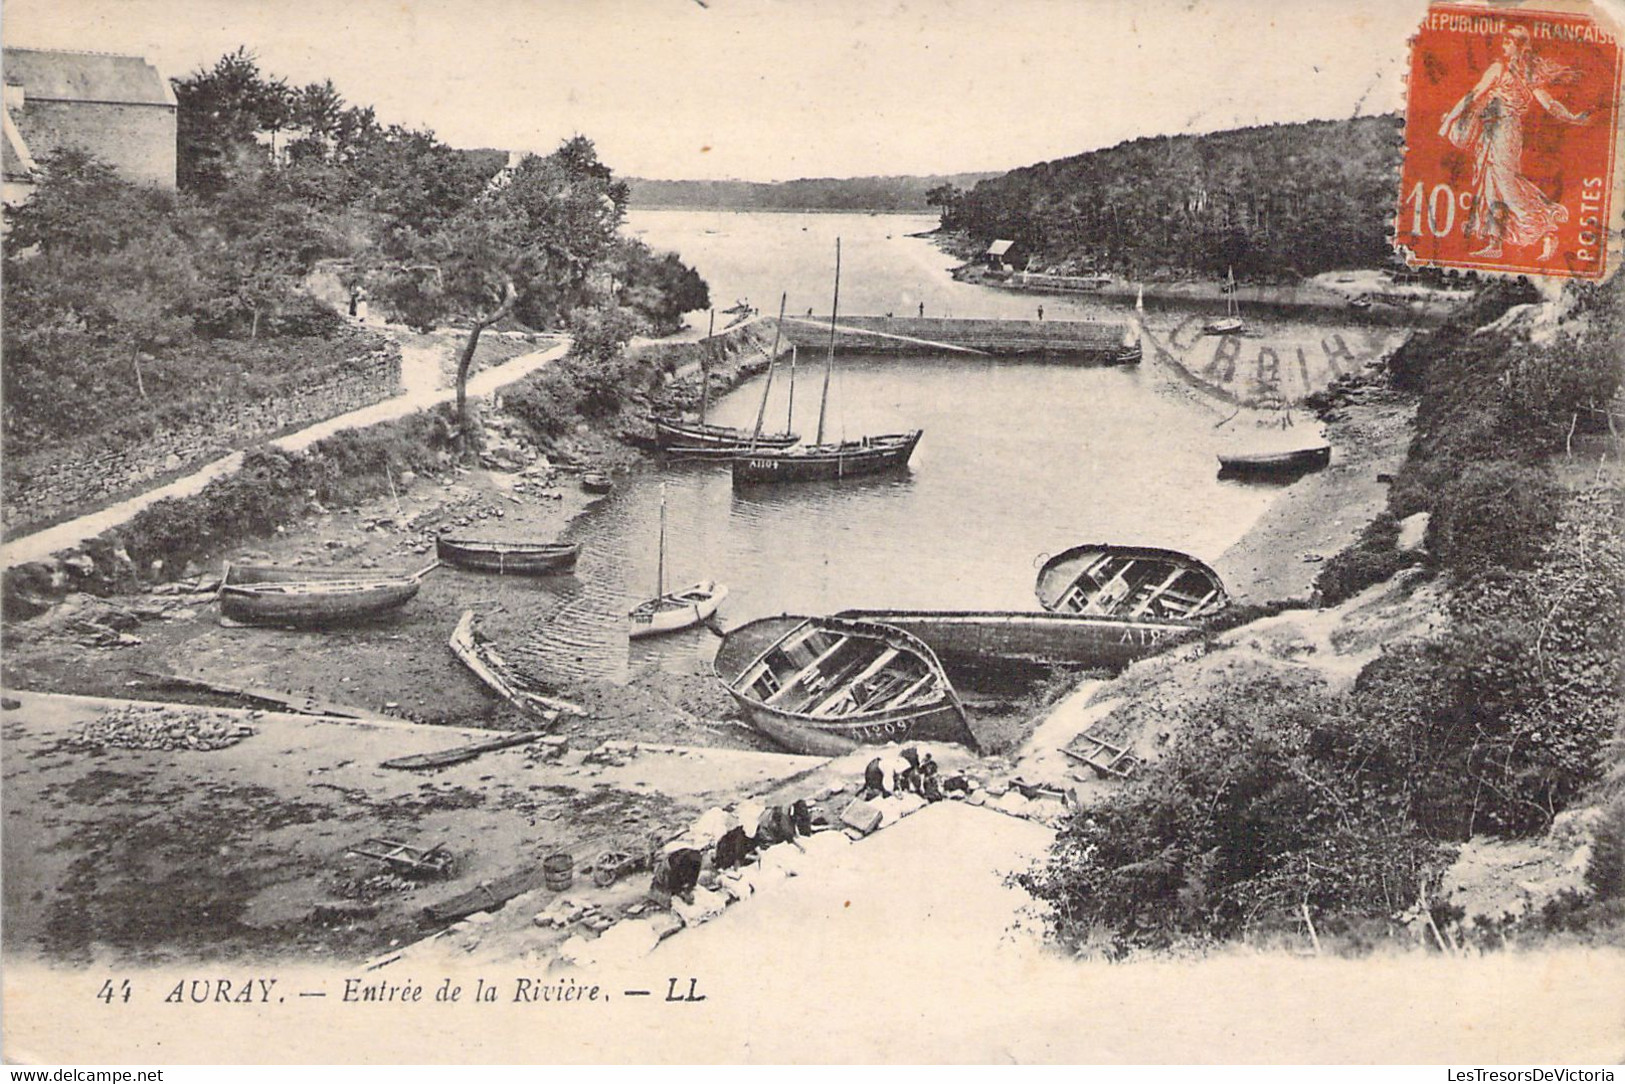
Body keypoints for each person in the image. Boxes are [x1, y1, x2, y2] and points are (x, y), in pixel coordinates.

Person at [1439, 25, 1592, 261]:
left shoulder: (1523, 75)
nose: (1505, 46)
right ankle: (1495, 242)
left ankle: (1546, 229)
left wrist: (1571, 117)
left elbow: (1549, 103)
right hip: (1489, 131)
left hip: (1506, 132)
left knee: (1506, 184)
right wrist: (1451, 118)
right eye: (1505, 41)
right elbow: (1474, 95)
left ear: (1521, 47)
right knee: (1491, 185)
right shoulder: (1499, 69)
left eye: (1510, 42)